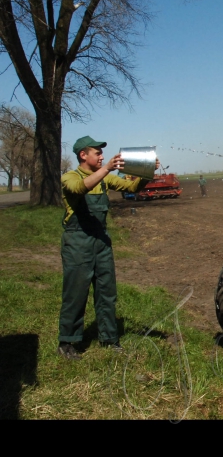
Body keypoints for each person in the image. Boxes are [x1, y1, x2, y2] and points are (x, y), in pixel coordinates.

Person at [57, 136, 160, 360]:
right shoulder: (70, 177)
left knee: (106, 292)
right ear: (83, 155)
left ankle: (109, 339)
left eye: (102, 154)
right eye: (97, 153)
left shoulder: (105, 179)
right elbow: (79, 188)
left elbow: (131, 186)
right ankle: (68, 341)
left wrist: (147, 171)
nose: (102, 156)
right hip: (77, 242)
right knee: (75, 293)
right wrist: (106, 169)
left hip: (101, 242)